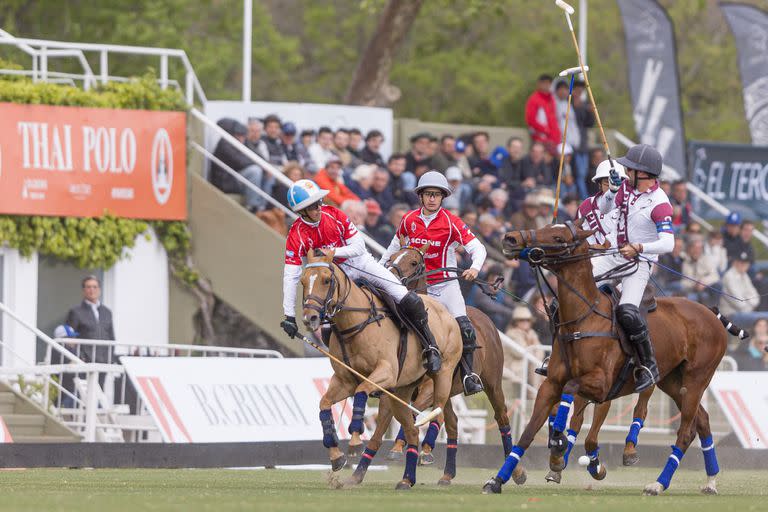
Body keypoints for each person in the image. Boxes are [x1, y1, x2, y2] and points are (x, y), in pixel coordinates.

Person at [281, 180, 442, 372]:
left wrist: (330, 252)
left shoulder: (335, 214)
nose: (319, 207)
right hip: (335, 279)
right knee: (325, 329)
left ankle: (430, 346)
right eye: (313, 206)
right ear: (302, 211)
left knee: (407, 298)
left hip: (361, 265)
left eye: (319, 202)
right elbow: (291, 276)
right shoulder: (296, 234)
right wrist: (289, 315)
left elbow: (358, 248)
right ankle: (351, 366)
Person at [379, 171, 488, 395]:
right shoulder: (409, 220)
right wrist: (379, 271)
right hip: (416, 288)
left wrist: (475, 267)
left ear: (442, 198)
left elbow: (478, 248)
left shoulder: (451, 222)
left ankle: (469, 375)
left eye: (437, 195)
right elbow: (392, 249)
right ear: (421, 196)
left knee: (465, 327)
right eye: (428, 194)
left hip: (445, 286)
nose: (432, 199)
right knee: (393, 322)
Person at [591, 144, 675, 392]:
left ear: (643, 173)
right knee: (571, 289)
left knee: (627, 311)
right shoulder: (625, 187)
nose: (625, 170)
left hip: (639, 263)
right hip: (613, 255)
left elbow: (669, 243)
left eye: (630, 168)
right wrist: (612, 191)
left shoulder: (660, 203)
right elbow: (603, 208)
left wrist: (639, 247)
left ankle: (648, 365)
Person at [66, 276, 115, 364]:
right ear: (83, 291)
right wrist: (80, 357)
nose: (92, 290)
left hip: (104, 362)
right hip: (84, 362)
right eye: (88, 287)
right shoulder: (76, 312)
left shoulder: (107, 312)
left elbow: (111, 337)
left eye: (95, 287)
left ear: (99, 290)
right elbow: (70, 338)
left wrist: (110, 358)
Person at [525, 74, 560, 154]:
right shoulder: (534, 99)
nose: (546, 86)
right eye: (544, 83)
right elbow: (531, 120)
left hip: (553, 140)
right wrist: (546, 130)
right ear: (539, 84)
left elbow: (554, 119)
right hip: (541, 139)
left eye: (548, 83)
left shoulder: (552, 99)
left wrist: (556, 135)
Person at [680, 235, 719, 304]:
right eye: (694, 248)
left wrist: (703, 282)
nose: (697, 251)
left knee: (718, 285)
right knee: (701, 296)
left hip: (705, 287)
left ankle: (713, 311)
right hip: (690, 290)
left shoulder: (706, 259)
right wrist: (695, 285)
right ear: (689, 249)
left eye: (699, 248)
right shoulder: (684, 260)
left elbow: (715, 276)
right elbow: (683, 281)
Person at [719, 251, 759, 316]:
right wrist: (749, 301)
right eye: (741, 263)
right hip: (730, 314)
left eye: (746, 263)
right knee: (761, 320)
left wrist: (749, 301)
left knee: (762, 320)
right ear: (735, 263)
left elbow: (756, 296)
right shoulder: (729, 276)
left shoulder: (744, 275)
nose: (744, 265)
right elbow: (739, 303)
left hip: (746, 311)